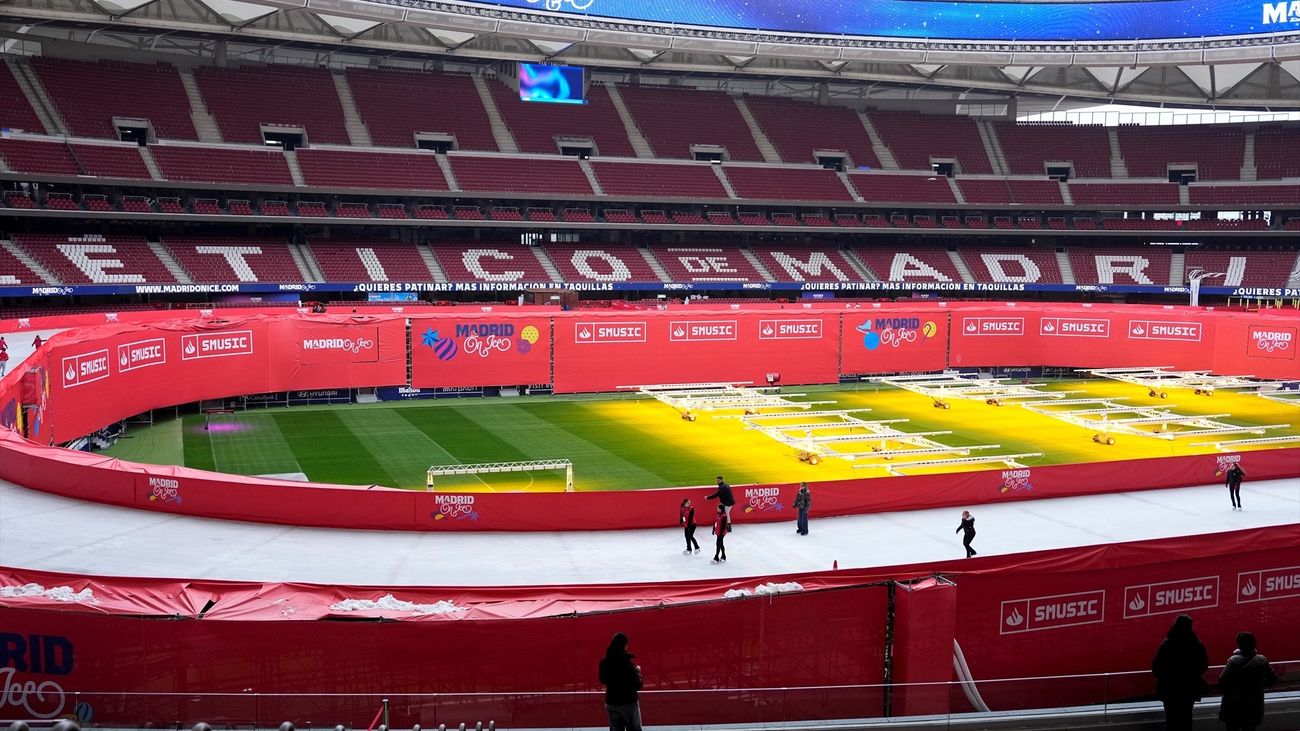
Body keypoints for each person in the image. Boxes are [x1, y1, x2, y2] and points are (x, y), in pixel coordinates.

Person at [1151, 614, 1209, 731]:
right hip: (1189, 689)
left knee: (1171, 719)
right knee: (1186, 717)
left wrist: (1164, 679)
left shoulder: (1167, 644)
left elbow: (1156, 666)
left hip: (1170, 689)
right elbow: (1204, 665)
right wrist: (1193, 676)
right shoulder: (1196, 644)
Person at [1218, 631, 1276, 731]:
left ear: (1239, 644)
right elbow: (1272, 679)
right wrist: (1258, 687)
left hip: (1234, 706)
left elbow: (1222, 681)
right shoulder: (1262, 660)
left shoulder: (1233, 661)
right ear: (1254, 643)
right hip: (1253, 705)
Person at [598, 632, 643, 731]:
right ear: (625, 645)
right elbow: (637, 684)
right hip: (628, 702)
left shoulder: (605, 661)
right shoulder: (627, 663)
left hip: (611, 702)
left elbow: (602, 679)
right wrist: (638, 672)